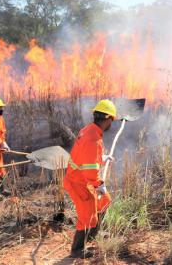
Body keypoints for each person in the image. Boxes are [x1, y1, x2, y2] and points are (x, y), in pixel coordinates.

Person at [63, 99, 116, 258]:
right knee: (87, 215)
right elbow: (89, 171)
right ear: (107, 119)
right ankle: (77, 249)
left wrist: (102, 157)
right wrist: (100, 185)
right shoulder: (94, 138)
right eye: (111, 120)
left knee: (104, 201)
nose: (111, 124)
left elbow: (87, 157)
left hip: (84, 180)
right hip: (78, 183)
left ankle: (93, 234)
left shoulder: (89, 130)